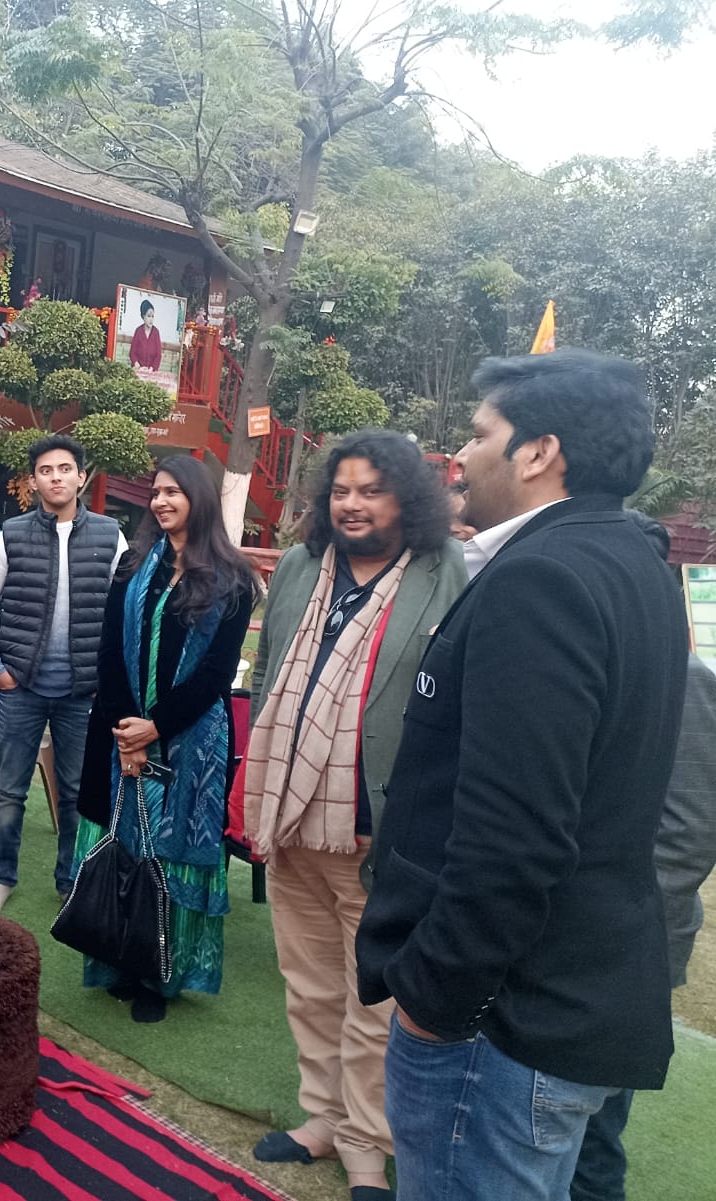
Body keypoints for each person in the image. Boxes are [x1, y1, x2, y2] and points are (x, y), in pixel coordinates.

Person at [355, 349, 689, 1201]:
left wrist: (436, 1000)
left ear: (540, 451)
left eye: (478, 435)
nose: (458, 458)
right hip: (565, 997)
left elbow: (514, 835)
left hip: (501, 1024)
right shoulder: (634, 559)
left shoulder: (540, 577)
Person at [242, 430, 466, 1201]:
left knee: (376, 997)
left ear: (408, 497)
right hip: (291, 813)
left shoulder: (444, 574)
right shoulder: (304, 566)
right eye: (342, 488)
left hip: (378, 827)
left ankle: (367, 1143)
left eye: (371, 488)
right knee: (309, 984)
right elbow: (270, 668)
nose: (353, 502)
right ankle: (321, 1119)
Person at [72, 455, 260, 1022]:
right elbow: (108, 649)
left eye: (174, 491)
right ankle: (118, 962)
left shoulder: (233, 580)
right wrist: (127, 726)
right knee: (122, 845)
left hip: (189, 744)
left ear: (199, 499)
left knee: (169, 856)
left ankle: (160, 977)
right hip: (120, 733)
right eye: (156, 492)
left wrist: (156, 727)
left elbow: (215, 676)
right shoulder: (134, 566)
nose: (161, 501)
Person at [570, 512, 716, 1201]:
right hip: (577, 931)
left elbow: (688, 832)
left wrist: (616, 922)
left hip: (633, 939)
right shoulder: (590, 658)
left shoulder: (683, 677)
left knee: (596, 1122)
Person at [0, 434, 126, 912]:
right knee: (10, 788)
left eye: (64, 469)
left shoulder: (108, 534)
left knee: (78, 793)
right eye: (45, 470)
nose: (55, 477)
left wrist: (107, 681)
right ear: (33, 480)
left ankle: (70, 882)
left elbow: (121, 614)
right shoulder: (11, 533)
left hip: (83, 695)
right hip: (22, 689)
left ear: (82, 476)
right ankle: (1, 877)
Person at [129, 299, 163, 371]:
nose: (151, 319)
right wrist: (137, 365)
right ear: (143, 316)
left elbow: (158, 355)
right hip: (138, 369)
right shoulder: (138, 331)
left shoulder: (156, 333)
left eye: (152, 316)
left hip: (151, 371)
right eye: (148, 316)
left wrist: (151, 369)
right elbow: (132, 352)